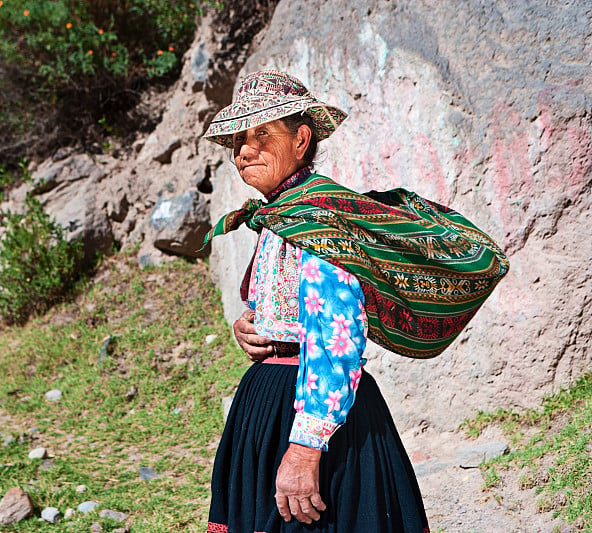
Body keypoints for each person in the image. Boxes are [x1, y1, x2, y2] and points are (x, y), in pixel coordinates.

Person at [202, 70, 508, 533]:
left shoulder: (319, 222)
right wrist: (254, 325)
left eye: (262, 134)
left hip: (314, 422)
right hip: (270, 408)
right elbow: (297, 313)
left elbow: (336, 340)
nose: (245, 151)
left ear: (301, 140)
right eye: (239, 141)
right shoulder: (281, 217)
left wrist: (305, 452)